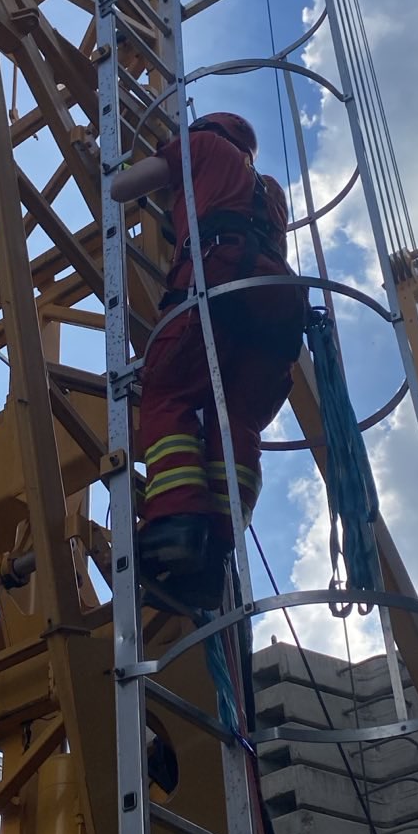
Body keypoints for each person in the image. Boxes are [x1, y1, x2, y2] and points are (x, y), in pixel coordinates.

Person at [110, 112, 305, 610]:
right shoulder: (270, 191)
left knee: (168, 391)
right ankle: (219, 541)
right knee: (234, 419)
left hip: (217, 282)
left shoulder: (200, 146)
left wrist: (116, 165)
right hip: (276, 307)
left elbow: (124, 189)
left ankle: (177, 526)